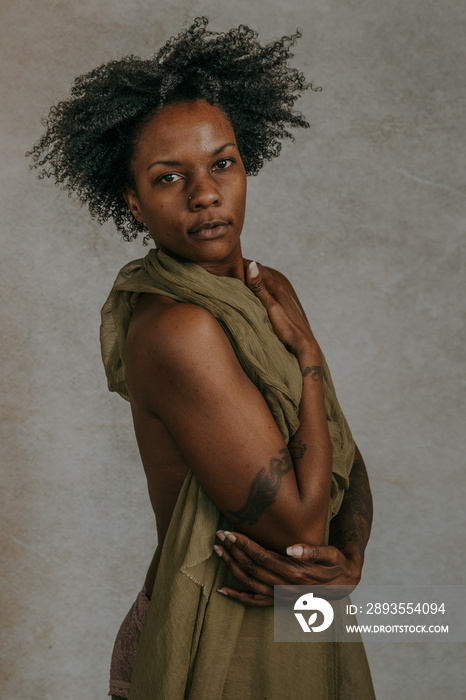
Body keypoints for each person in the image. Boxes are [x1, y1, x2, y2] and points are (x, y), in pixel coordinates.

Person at [28, 17, 375, 699]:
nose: (206, 194)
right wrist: (307, 356)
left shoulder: (265, 289)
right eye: (168, 178)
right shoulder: (176, 328)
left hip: (300, 618)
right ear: (132, 201)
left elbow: (344, 456)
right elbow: (301, 523)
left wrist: (348, 562)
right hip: (198, 635)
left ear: (246, 164)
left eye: (222, 163)